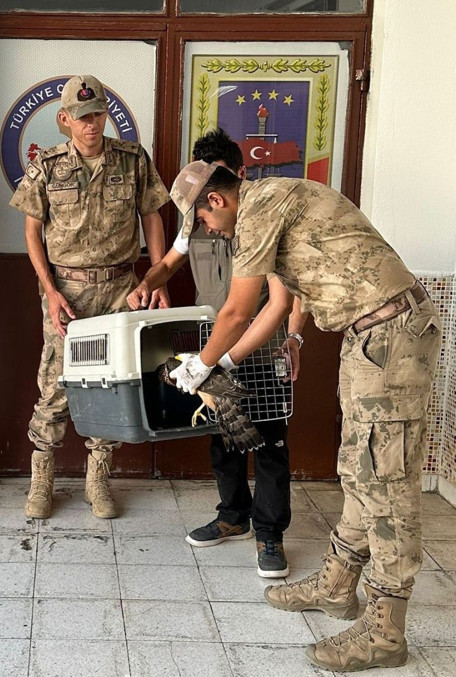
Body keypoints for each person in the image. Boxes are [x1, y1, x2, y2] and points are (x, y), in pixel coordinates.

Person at [142, 159, 440, 672]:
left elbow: (237, 309)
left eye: (204, 222)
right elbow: (276, 308)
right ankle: (337, 584)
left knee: (385, 482)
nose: (208, 232)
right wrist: (226, 362)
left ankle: (386, 630)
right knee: (359, 469)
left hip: (392, 334)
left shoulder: (258, 210)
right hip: (370, 336)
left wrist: (201, 364)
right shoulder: (275, 202)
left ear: (217, 200)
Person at [130, 128, 305, 577]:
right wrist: (148, 283)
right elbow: (170, 262)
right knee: (223, 439)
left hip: (261, 348)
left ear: (235, 177)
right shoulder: (196, 219)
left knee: (268, 445)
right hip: (215, 346)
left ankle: (270, 535)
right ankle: (232, 516)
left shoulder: (264, 218)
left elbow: (288, 293)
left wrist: (294, 336)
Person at [10, 75, 170, 520]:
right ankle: (42, 479)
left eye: (97, 113)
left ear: (106, 114)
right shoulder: (47, 166)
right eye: (81, 117)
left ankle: (97, 480)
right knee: (56, 384)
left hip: (123, 290)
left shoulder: (133, 160)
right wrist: (50, 289)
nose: (91, 124)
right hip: (68, 293)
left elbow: (152, 217)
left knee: (113, 385)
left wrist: (157, 278)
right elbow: (31, 231)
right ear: (65, 120)